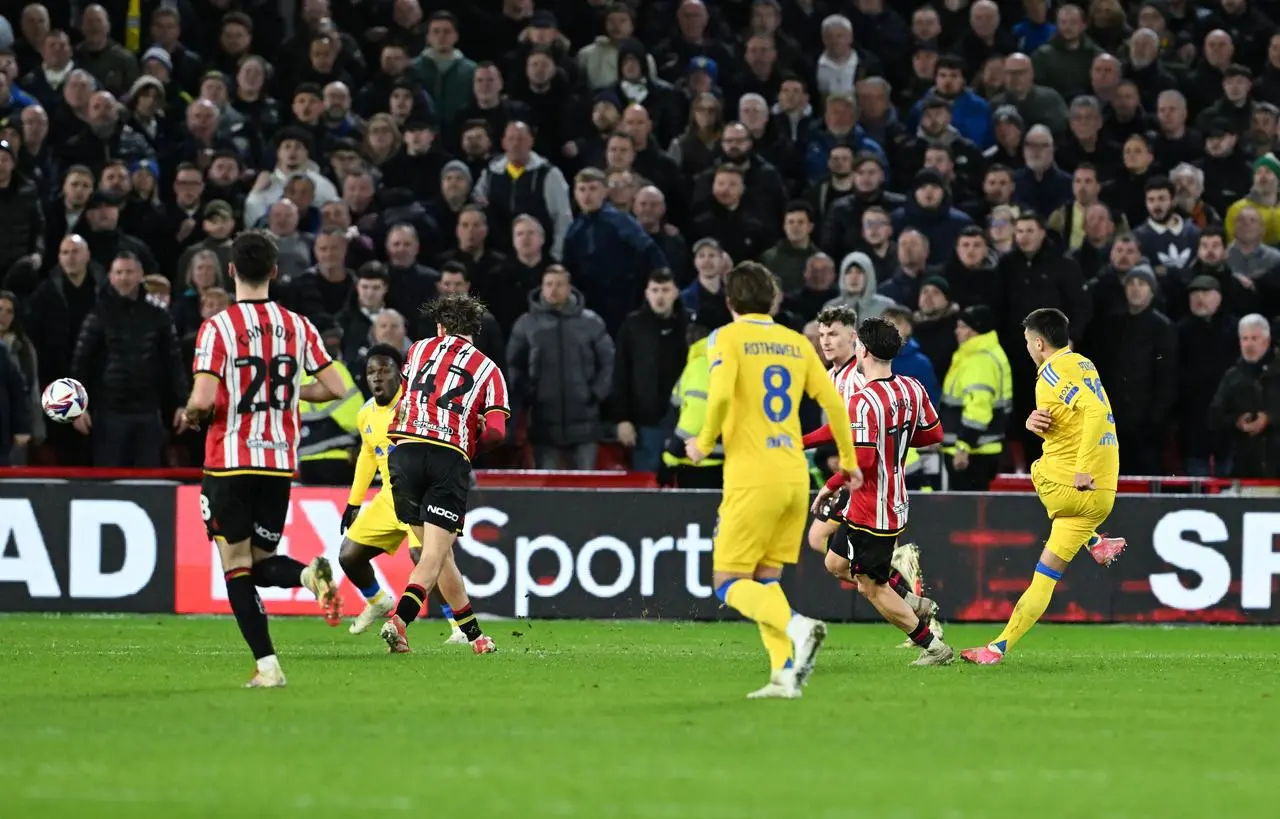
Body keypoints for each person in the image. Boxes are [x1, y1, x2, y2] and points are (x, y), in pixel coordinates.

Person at [183, 231, 352, 688]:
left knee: (235, 565)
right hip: (278, 460)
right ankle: (309, 575)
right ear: (275, 272)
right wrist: (287, 396)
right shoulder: (298, 326)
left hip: (230, 459)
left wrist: (192, 413)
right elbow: (338, 389)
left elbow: (201, 400)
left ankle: (268, 666)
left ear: (232, 271)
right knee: (260, 562)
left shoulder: (217, 328)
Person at [682, 261, 857, 700]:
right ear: (773, 300)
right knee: (764, 580)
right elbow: (835, 405)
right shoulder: (797, 342)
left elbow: (720, 394)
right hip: (795, 476)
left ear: (730, 302)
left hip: (752, 477)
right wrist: (848, 463)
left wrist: (703, 442)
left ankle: (798, 627)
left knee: (727, 581)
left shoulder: (725, 337)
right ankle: (784, 675)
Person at [961, 308, 1128, 666]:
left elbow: (1095, 413)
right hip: (1102, 495)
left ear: (1038, 342)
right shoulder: (1083, 364)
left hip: (1075, 483)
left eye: (1026, 342)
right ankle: (997, 648)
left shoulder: (1051, 371)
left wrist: (1082, 469)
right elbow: (1082, 413)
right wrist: (1035, 421)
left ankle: (1095, 540)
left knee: (1037, 468)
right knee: (1045, 576)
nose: (1027, 348)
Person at [810, 317, 951, 666]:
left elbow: (864, 462)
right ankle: (914, 602)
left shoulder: (863, 400)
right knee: (835, 562)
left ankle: (934, 647)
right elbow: (933, 435)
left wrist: (829, 487)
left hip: (873, 507)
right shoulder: (911, 387)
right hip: (892, 498)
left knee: (871, 586)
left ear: (865, 350)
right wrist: (898, 439)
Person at [337, 344, 489, 649]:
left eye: (384, 370)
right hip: (388, 498)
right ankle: (379, 601)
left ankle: (457, 626)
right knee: (348, 555)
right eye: (371, 372)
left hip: (419, 491)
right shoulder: (365, 413)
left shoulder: (416, 404)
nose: (377, 378)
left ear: (401, 374)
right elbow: (368, 455)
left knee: (428, 555)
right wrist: (354, 501)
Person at [380, 294, 508, 655]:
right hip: (446, 456)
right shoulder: (489, 369)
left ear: (440, 326)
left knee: (438, 554)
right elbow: (497, 431)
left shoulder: (418, 350)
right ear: (476, 331)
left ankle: (475, 636)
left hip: (403, 452)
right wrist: (473, 437)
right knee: (435, 554)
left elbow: (414, 396)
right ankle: (399, 620)